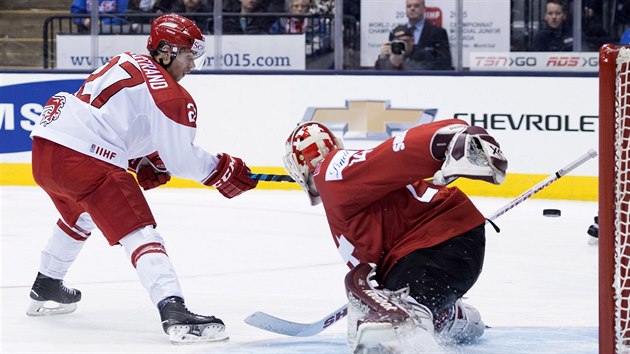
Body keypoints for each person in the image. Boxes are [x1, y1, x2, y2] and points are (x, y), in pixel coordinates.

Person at [26, 13, 258, 344]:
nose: (192, 64)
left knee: (80, 216)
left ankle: (47, 283)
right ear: (166, 50)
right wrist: (222, 169)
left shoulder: (127, 59)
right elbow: (183, 160)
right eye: (189, 55)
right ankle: (173, 310)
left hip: (47, 151)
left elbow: (116, 116)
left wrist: (140, 157)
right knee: (139, 230)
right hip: (85, 159)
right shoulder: (170, 94)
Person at [282, 119, 508, 352]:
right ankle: (446, 314)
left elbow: (392, 154)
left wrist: (442, 139)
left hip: (436, 245)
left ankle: (409, 321)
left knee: (378, 305)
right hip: (441, 250)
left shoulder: (330, 172)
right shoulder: (344, 186)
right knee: (379, 291)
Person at [375, 0, 452, 71]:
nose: (412, 9)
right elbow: (390, 60)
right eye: (409, 6)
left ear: (424, 9)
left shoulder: (438, 32)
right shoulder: (396, 32)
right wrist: (383, 57)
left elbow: (444, 63)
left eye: (416, 6)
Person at [269, 0, 331, 67]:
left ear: (307, 8)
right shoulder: (280, 23)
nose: (300, 9)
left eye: (303, 6)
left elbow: (324, 41)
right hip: (285, 61)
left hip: (312, 61)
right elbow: (273, 41)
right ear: (290, 8)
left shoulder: (316, 23)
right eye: (296, 6)